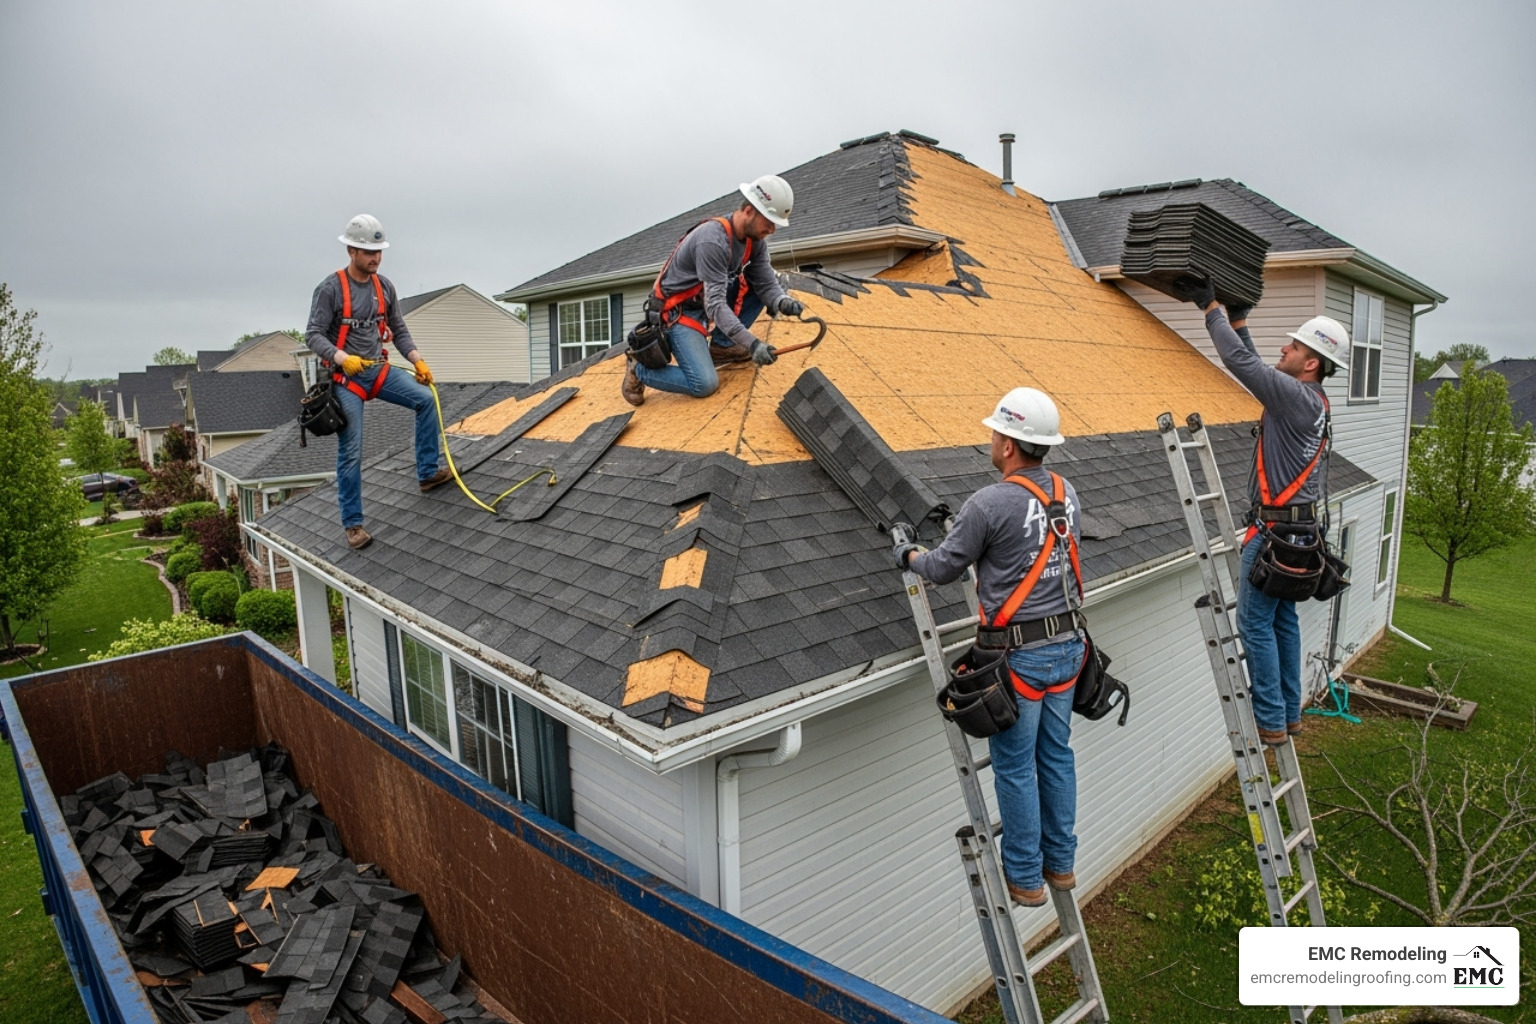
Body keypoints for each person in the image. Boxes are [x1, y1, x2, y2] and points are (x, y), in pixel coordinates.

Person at [895, 387, 1084, 908]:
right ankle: (1060, 865)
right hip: (1068, 648)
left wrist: (908, 554)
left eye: (996, 432)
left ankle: (1024, 877)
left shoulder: (989, 503)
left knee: (1016, 767)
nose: (992, 439)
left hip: (1020, 657)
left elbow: (941, 568)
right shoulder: (1066, 492)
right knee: (1056, 757)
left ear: (1008, 444)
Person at [1185, 276, 1350, 746]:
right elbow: (1259, 364)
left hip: (1274, 536)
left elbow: (1241, 363)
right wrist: (1238, 319)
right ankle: (1288, 714)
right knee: (1282, 621)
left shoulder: (1295, 396)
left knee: (1253, 623)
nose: (1285, 348)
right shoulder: (1312, 399)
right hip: (1299, 534)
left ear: (1311, 363)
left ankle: (1271, 720)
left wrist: (1211, 308)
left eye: (1293, 347)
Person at [305, 214, 451, 550]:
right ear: (352, 251)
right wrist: (341, 358)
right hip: (347, 379)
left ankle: (427, 473)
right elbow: (312, 334)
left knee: (426, 400)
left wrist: (417, 359)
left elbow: (398, 328)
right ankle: (353, 524)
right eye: (369, 252)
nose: (376, 258)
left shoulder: (383, 287)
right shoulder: (331, 289)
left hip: (378, 372)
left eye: (379, 252)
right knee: (351, 451)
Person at [621, 175, 805, 406]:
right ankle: (640, 370)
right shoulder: (712, 240)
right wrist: (753, 344)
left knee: (769, 285)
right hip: (678, 313)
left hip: (705, 301)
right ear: (749, 210)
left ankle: (723, 347)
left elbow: (766, 283)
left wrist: (781, 301)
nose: (772, 229)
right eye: (769, 220)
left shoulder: (755, 241)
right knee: (704, 383)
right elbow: (716, 305)